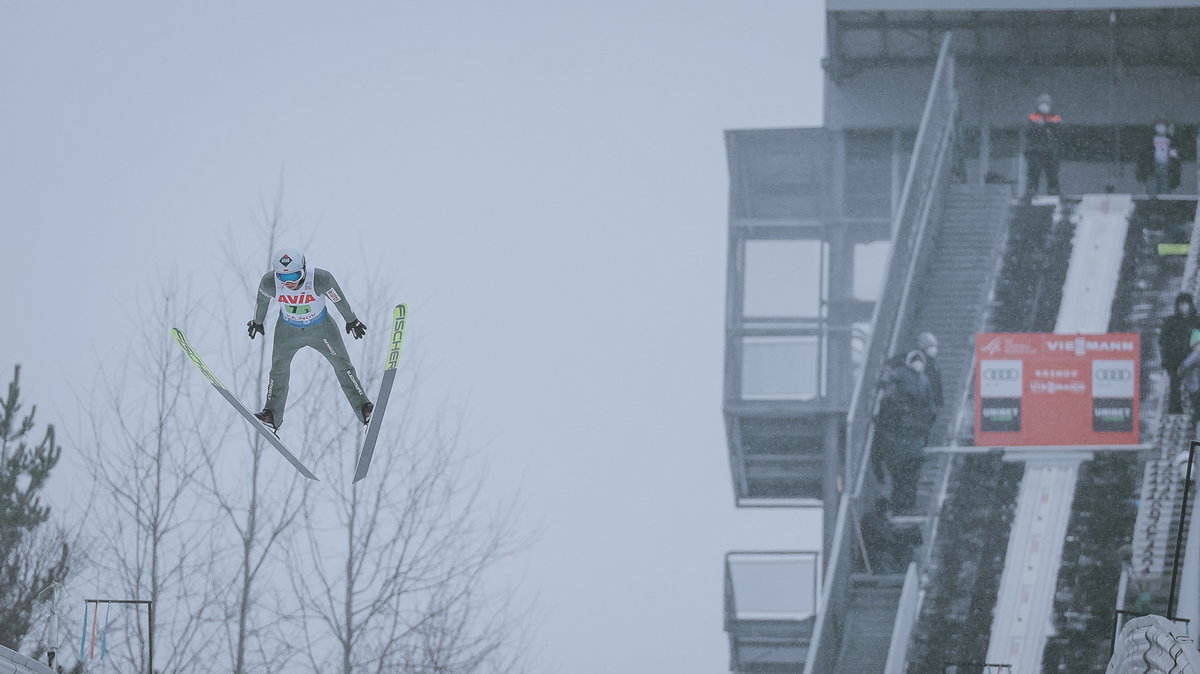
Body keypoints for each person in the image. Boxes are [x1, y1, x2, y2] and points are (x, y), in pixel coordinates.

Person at [247, 248, 373, 429]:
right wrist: (257, 322)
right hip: (287, 331)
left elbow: (339, 299)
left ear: (304, 269)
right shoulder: (269, 283)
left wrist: (352, 320)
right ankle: (271, 415)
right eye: (283, 277)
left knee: (342, 365)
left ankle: (364, 407)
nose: (289, 283)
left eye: (294, 275)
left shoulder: (321, 279)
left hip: (322, 330)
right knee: (278, 370)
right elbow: (261, 302)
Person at [876, 350, 936, 514]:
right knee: (906, 476)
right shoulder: (914, 377)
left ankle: (902, 504)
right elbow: (930, 405)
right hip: (909, 436)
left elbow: (930, 404)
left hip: (909, 437)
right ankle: (904, 504)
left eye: (919, 360)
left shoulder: (922, 379)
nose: (918, 363)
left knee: (905, 476)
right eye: (915, 360)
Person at [1159, 293, 1200, 415]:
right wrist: (1167, 362)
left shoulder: (1196, 321)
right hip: (1175, 360)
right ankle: (1176, 411)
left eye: (1185, 303)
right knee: (1175, 386)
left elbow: (1197, 343)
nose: (1183, 307)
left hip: (1192, 359)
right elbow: (1164, 341)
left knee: (1193, 383)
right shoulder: (1170, 322)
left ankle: (1196, 409)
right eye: (1180, 304)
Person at [1024, 93, 1062, 199]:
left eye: (1046, 103)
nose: (1044, 105)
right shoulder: (1032, 116)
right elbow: (1028, 132)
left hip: (1050, 151)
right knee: (1034, 173)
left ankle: (1053, 192)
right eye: (1042, 103)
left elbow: (1058, 131)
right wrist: (1039, 126)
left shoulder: (1054, 117)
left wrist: (1047, 124)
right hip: (1035, 151)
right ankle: (1032, 191)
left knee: (1052, 174)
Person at [1136, 119, 1182, 197]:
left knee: (1165, 193)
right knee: (1152, 192)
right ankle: (1152, 206)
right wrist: (1141, 174)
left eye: (1163, 125)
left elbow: (1175, 158)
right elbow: (1143, 156)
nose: (1161, 127)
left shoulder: (1171, 140)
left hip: (1166, 167)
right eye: (1159, 125)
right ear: (1155, 127)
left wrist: (1176, 176)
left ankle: (1163, 206)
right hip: (1152, 167)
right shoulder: (1149, 139)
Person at [1177, 329, 1200, 423]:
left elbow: (1186, 364)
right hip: (1195, 385)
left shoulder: (1197, 352)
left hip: (1195, 386)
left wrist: (1181, 370)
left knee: (1195, 405)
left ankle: (1195, 420)